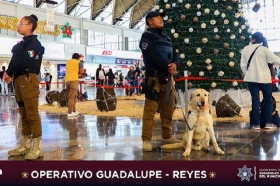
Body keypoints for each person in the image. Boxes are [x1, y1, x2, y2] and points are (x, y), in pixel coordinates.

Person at [4, 14, 45, 160]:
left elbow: (24, 61)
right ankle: (25, 144)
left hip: (29, 79)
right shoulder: (20, 44)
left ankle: (37, 147)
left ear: (30, 26)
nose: (18, 25)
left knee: (32, 113)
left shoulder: (34, 44)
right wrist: (8, 74)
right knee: (24, 113)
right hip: (19, 79)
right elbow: (15, 60)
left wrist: (9, 72)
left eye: (21, 23)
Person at [139, 11, 180, 151]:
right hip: (153, 79)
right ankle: (146, 140)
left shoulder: (167, 38)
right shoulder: (146, 37)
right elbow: (150, 55)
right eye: (158, 17)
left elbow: (176, 54)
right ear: (150, 21)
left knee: (168, 110)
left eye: (161, 17)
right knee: (150, 110)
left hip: (168, 79)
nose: (161, 19)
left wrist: (175, 64)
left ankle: (167, 136)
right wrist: (168, 66)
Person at [240, 31, 280, 130]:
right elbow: (276, 60)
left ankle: (256, 124)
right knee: (268, 100)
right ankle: (268, 123)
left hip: (251, 79)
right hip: (264, 79)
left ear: (253, 39)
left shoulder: (245, 49)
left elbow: (243, 65)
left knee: (255, 100)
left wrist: (247, 72)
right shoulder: (264, 49)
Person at [65, 53, 84, 117]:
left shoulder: (68, 62)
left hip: (67, 80)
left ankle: (74, 110)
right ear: (78, 58)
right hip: (74, 80)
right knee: (71, 97)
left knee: (74, 96)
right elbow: (81, 72)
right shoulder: (79, 62)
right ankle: (70, 112)